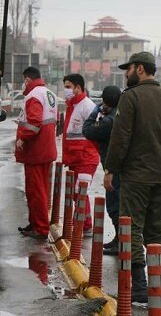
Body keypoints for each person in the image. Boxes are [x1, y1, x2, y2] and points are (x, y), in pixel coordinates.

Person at [103, 52, 161, 303]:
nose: (125, 74)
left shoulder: (131, 98)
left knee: (133, 227)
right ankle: (156, 284)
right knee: (157, 231)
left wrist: (110, 168)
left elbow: (120, 137)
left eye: (128, 69)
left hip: (136, 176)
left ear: (139, 69)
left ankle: (139, 286)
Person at [15, 67, 58, 239]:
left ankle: (40, 228)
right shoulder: (49, 94)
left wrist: (22, 138)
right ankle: (35, 223)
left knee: (36, 191)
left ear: (27, 79)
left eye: (24, 80)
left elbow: (34, 122)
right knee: (38, 190)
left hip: (36, 150)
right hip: (46, 149)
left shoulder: (33, 96)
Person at [82, 85, 122, 255]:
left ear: (106, 102)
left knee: (114, 206)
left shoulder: (108, 122)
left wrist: (96, 110)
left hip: (113, 169)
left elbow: (88, 130)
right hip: (123, 167)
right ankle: (119, 239)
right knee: (119, 205)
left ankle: (120, 242)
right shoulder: (121, 115)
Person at [62, 74, 100, 235]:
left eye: (69, 87)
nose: (66, 90)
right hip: (75, 157)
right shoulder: (73, 106)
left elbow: (96, 131)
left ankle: (85, 225)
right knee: (76, 193)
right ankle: (84, 223)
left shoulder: (87, 106)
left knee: (80, 191)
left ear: (78, 88)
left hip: (86, 157)